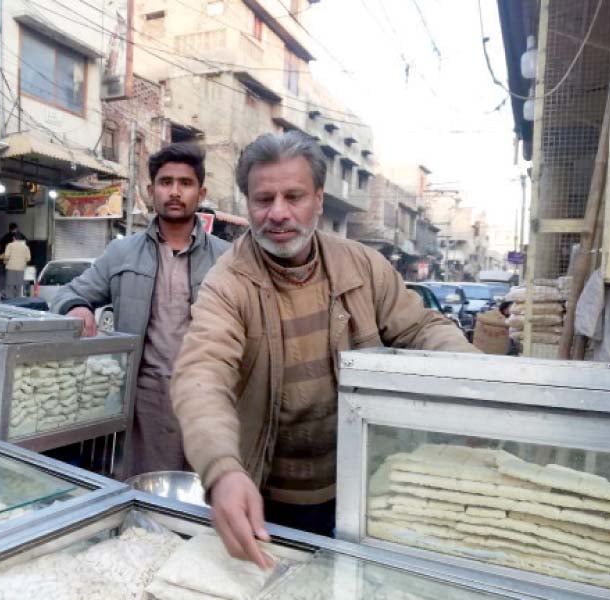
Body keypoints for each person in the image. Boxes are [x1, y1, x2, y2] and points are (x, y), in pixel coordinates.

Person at [170, 132, 476, 568]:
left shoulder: (362, 266)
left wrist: (481, 387)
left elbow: (422, 328)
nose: (278, 213)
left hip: (367, 489)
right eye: (263, 199)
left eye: (293, 196)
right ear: (246, 204)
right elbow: (202, 374)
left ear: (318, 199)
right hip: (267, 500)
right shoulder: (228, 282)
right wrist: (223, 471)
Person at [51, 142, 230, 475]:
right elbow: (69, 293)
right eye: (165, 182)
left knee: (202, 492)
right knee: (143, 487)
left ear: (200, 192)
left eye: (185, 183)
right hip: (141, 399)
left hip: (207, 398)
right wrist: (77, 308)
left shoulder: (227, 258)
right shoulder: (121, 253)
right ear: (150, 191)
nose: (175, 192)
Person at [0, 234, 31, 299]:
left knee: (10, 287)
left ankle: (10, 302)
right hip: (21, 270)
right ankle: (19, 303)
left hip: (11, 269)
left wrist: (5, 263)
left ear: (14, 238)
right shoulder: (25, 247)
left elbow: (6, 256)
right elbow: (28, 258)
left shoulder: (10, 245)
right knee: (20, 287)